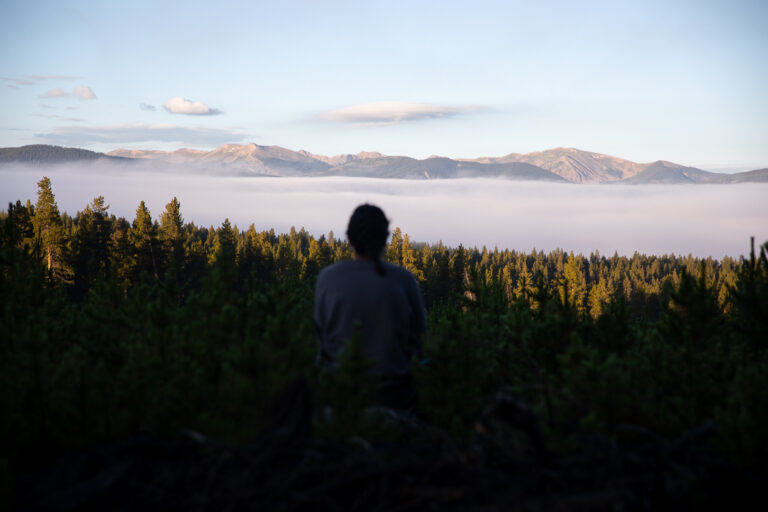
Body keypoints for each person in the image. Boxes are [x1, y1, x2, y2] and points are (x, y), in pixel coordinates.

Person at [314, 204, 426, 411]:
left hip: (339, 393)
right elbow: (420, 336)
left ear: (349, 239)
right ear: (385, 239)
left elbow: (320, 335)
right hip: (393, 396)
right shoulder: (403, 280)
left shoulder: (328, 278)